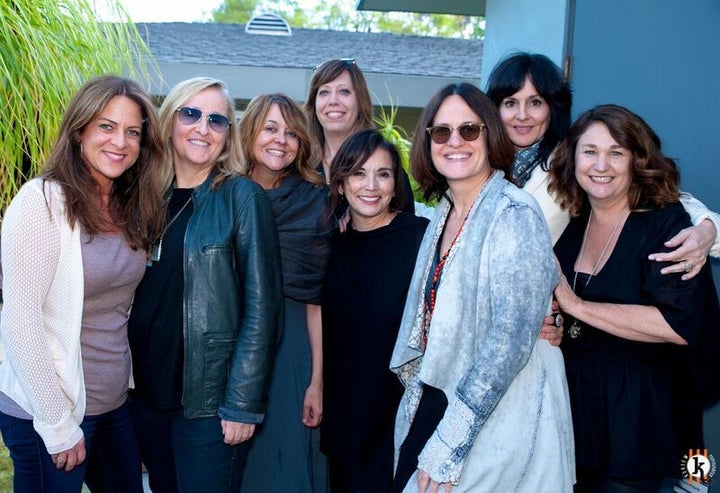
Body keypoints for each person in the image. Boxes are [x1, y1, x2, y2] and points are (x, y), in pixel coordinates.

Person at [389, 83, 574, 492]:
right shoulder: (445, 210)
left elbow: (508, 343)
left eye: (469, 130)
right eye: (442, 132)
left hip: (500, 412)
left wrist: (450, 443)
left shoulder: (513, 212)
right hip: (441, 393)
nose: (455, 142)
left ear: (490, 135)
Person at [0, 75, 165, 492]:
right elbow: (21, 319)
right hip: (50, 409)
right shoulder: (41, 202)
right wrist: (56, 423)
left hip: (111, 405)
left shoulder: (131, 206)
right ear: (79, 131)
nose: (120, 142)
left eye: (132, 132)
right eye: (106, 126)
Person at [550, 104, 719, 492]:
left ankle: (698, 478)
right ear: (573, 158)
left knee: (693, 466)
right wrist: (556, 322)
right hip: (576, 414)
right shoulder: (573, 224)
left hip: (638, 420)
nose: (601, 164)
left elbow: (677, 325)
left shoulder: (668, 222)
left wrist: (577, 306)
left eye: (616, 152)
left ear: (636, 159)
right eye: (589, 151)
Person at [127, 77, 283, 493]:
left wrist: (242, 405)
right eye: (191, 113)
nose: (203, 128)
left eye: (217, 120)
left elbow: (263, 309)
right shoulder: (143, 197)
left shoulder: (241, 198)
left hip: (209, 406)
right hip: (145, 398)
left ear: (227, 136)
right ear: (169, 121)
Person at [486, 52, 719, 274]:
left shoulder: (573, 160)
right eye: (510, 103)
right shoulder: (478, 162)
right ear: (495, 109)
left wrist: (708, 228)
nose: (522, 115)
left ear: (552, 108)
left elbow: (663, 194)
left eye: (535, 102)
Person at [321, 129, 429, 492]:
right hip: (344, 414)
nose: (371, 185)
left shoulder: (420, 238)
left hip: (398, 415)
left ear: (396, 183)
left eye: (382, 174)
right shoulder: (332, 243)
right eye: (358, 173)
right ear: (340, 184)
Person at [239, 93, 332, 492]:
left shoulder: (318, 200)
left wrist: (317, 380)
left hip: (293, 343)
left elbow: (319, 299)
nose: (281, 140)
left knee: (286, 460)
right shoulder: (224, 192)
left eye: (292, 133)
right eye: (271, 128)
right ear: (250, 133)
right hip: (233, 337)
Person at [305, 58, 415, 214]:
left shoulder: (386, 167)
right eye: (324, 92)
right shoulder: (303, 167)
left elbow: (405, 231)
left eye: (344, 91)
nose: (333, 101)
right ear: (314, 104)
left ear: (359, 102)